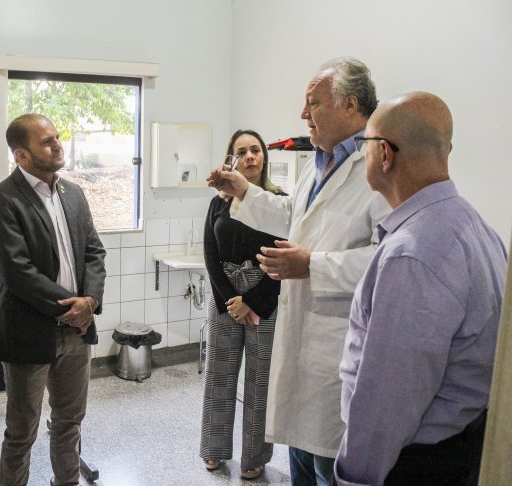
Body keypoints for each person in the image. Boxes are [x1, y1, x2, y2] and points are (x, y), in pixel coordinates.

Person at [207, 57, 390, 486]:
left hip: (336, 348)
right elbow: (294, 215)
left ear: (349, 105)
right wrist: (245, 191)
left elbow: (389, 258)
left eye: (313, 103)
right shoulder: (320, 161)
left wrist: (312, 265)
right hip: (301, 345)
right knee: (301, 465)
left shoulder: (378, 166)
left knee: (328, 468)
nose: (303, 114)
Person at [334, 92, 508, 486]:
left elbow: (387, 404)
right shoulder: (475, 226)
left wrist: (353, 478)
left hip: (411, 464)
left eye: (364, 143)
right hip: (460, 446)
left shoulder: (411, 256)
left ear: (384, 154)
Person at [0, 113, 106, 486]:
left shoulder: (73, 193)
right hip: (29, 331)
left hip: (77, 331)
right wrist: (73, 306)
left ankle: (66, 481)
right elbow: (17, 271)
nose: (57, 145)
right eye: (46, 141)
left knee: (70, 421)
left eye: (56, 137)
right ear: (21, 155)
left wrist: (90, 301)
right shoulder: (2, 199)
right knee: (22, 429)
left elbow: (94, 252)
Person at [199, 130, 285, 480]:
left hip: (266, 294)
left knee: (259, 379)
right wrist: (231, 300)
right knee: (218, 373)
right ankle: (214, 447)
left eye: (255, 150)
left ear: (264, 156)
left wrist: (252, 301)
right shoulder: (219, 203)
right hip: (225, 294)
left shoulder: (279, 202)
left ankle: (255, 456)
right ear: (231, 160)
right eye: (242, 151)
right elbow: (210, 254)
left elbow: (284, 259)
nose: (250, 156)